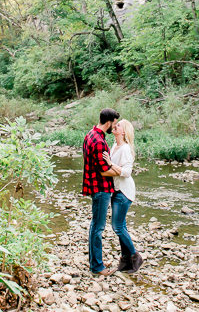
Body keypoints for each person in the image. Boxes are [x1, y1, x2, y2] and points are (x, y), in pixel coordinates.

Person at [102, 119, 143, 273]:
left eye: (118, 125)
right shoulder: (114, 145)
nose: (115, 126)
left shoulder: (125, 148)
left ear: (123, 131)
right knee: (122, 226)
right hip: (116, 190)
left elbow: (126, 172)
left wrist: (110, 164)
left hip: (124, 191)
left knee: (117, 226)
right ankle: (125, 261)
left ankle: (135, 256)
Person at [82, 108, 119, 276]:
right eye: (115, 123)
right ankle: (97, 266)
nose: (115, 127)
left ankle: (95, 262)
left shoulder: (91, 134)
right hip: (101, 188)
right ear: (109, 122)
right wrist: (122, 171)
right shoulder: (99, 141)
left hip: (94, 186)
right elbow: (104, 171)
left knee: (95, 226)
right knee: (98, 227)